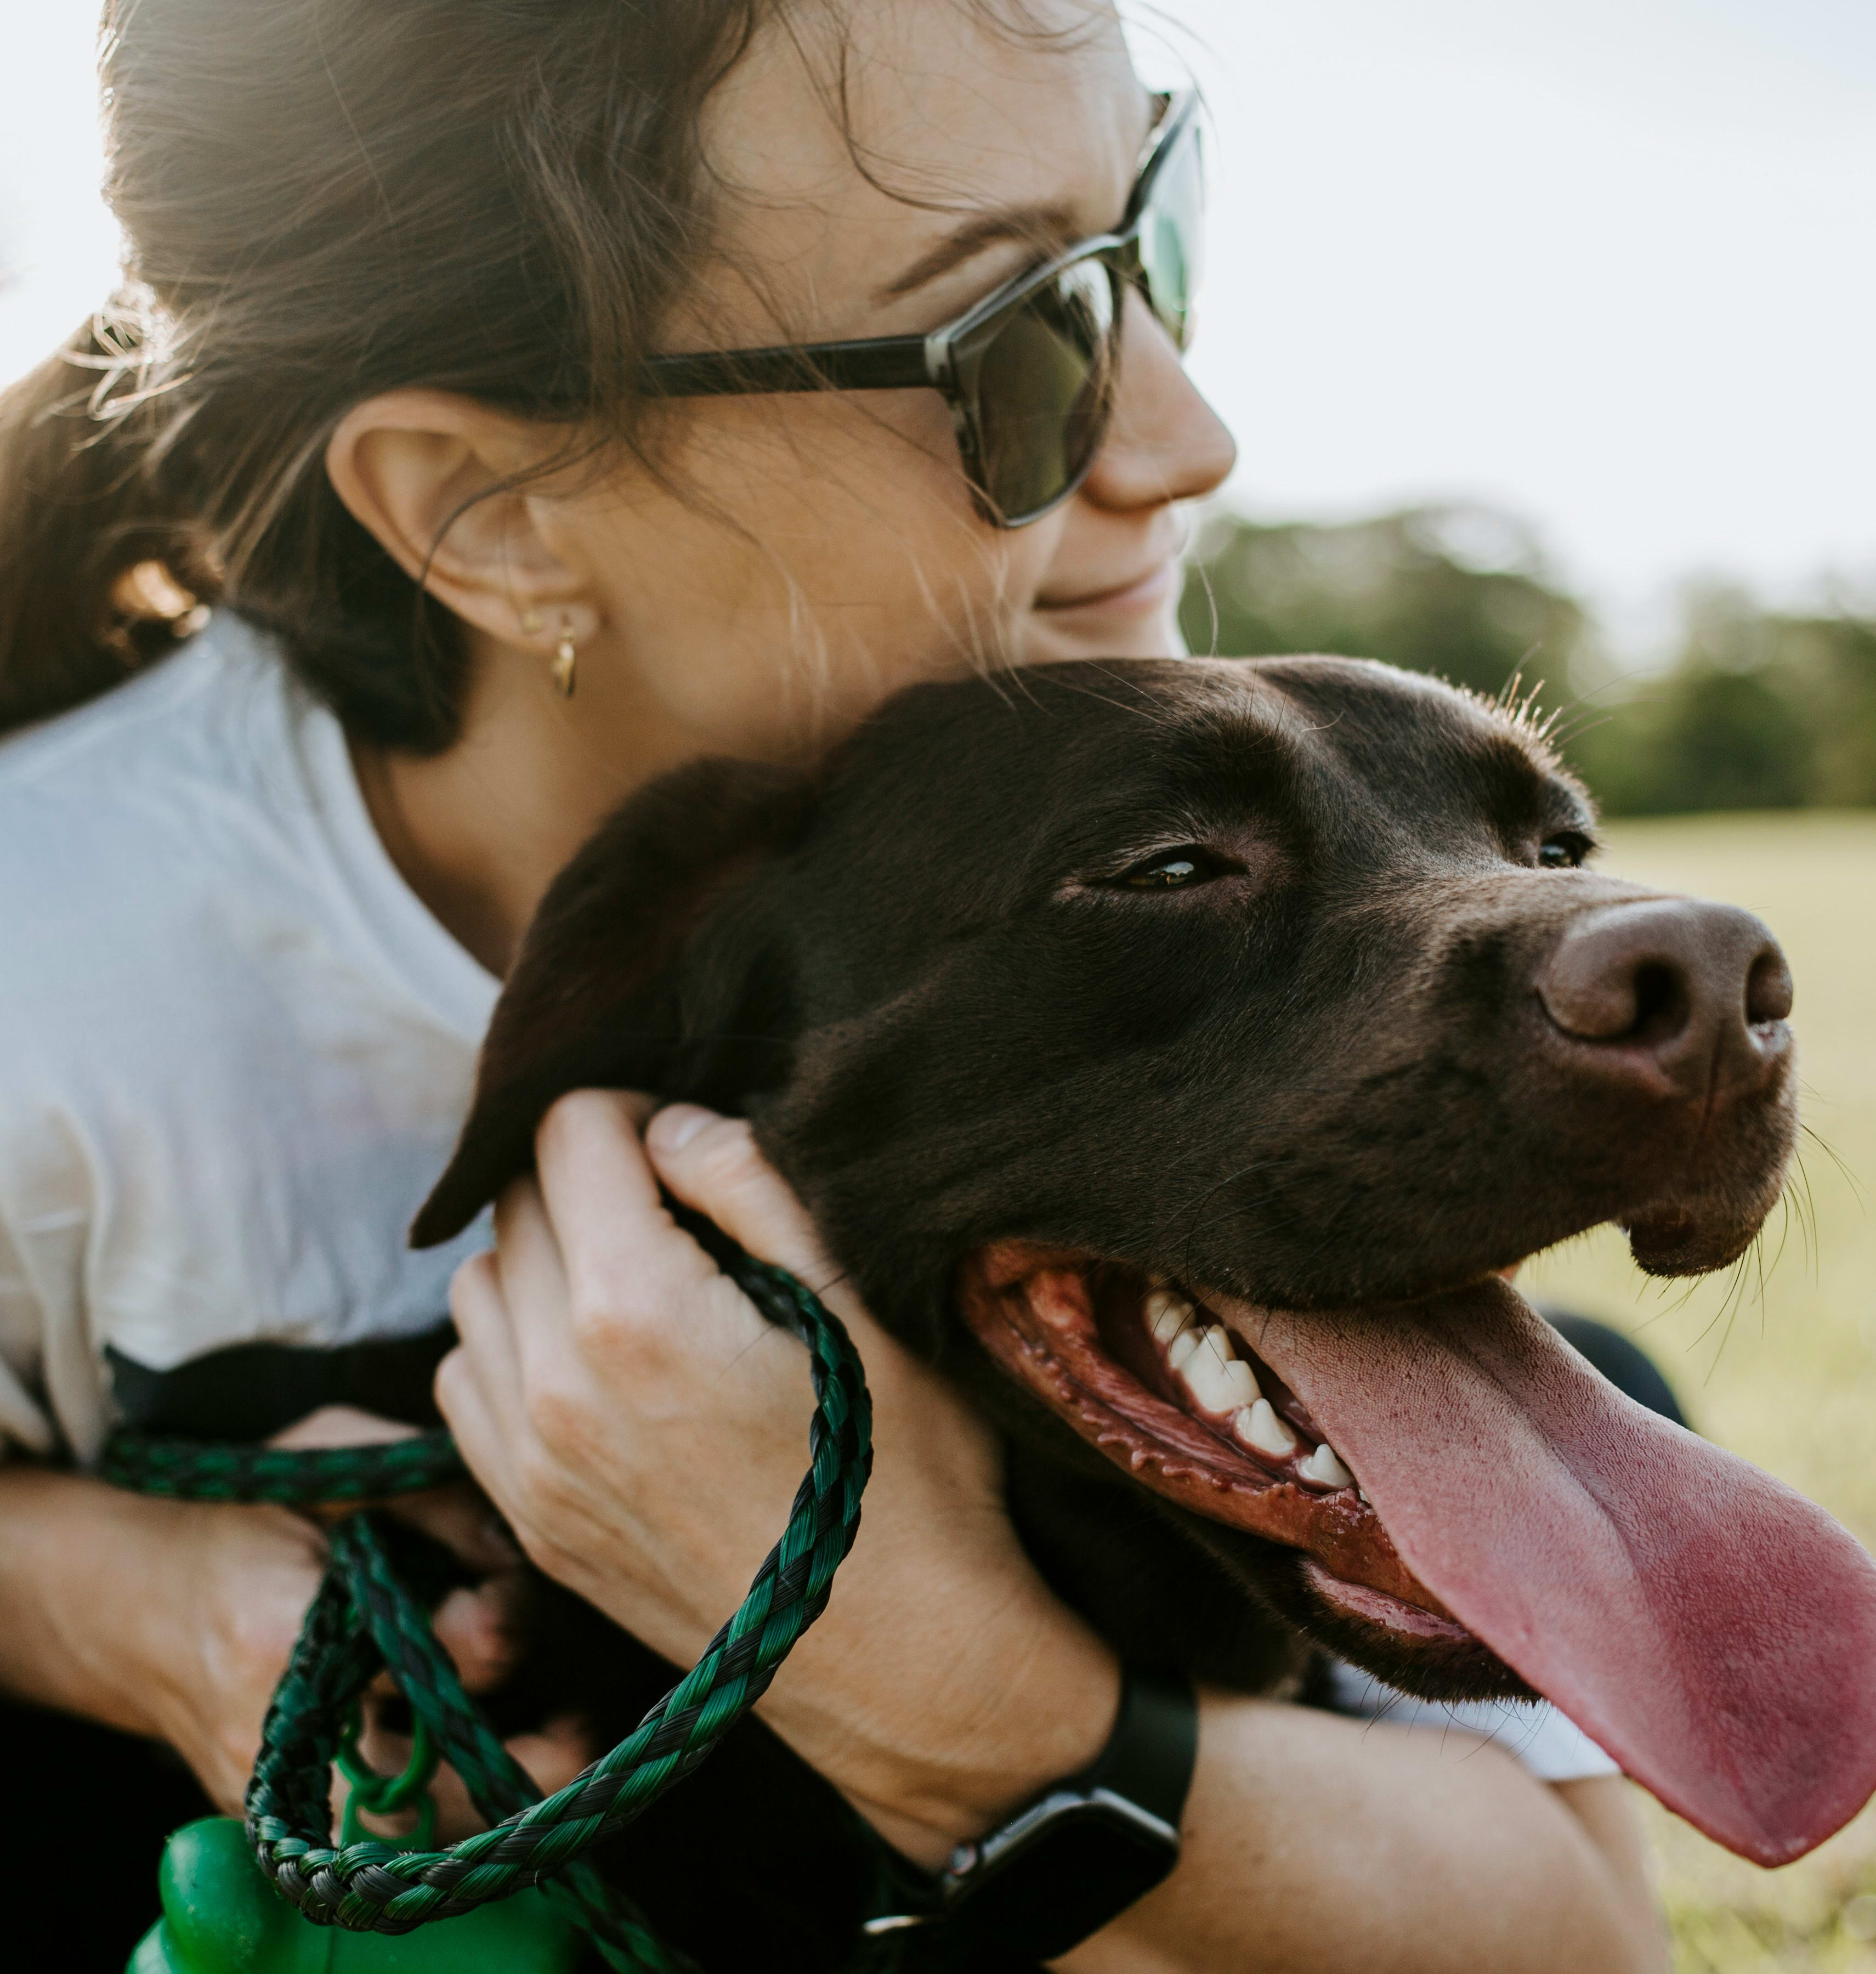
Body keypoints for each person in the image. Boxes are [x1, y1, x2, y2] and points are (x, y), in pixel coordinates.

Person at [0, 2, 1668, 1967]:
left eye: (1158, 228)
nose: (1187, 434)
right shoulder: (56, 959)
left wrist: (928, 1670)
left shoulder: (1155, 765)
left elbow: (1579, 1942)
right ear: (486, 507)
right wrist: (144, 1597)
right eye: (1012, 344)